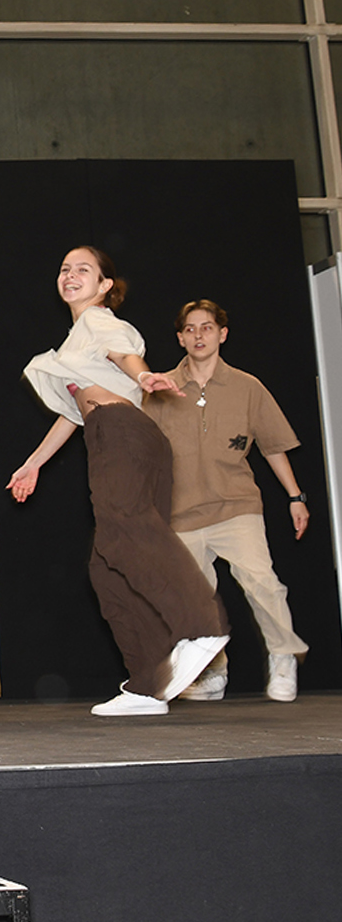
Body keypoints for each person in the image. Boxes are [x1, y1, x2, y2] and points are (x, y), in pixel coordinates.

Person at [8, 247, 228, 717]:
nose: (70, 275)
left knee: (126, 530)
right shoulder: (77, 342)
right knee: (107, 566)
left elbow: (124, 353)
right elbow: (75, 413)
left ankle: (200, 626)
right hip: (124, 436)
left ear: (105, 285)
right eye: (64, 269)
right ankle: (151, 684)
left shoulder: (97, 321)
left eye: (83, 270)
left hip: (121, 435)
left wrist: (144, 375)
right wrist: (34, 463)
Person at [145, 300, 308, 702]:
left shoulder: (248, 387)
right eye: (190, 329)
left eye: (207, 327)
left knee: (263, 583)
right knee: (194, 600)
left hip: (236, 506)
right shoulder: (161, 389)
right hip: (181, 513)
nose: (199, 335)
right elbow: (144, 455)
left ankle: (283, 657)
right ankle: (211, 671)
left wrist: (295, 496)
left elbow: (273, 447)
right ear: (180, 338)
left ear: (223, 334)